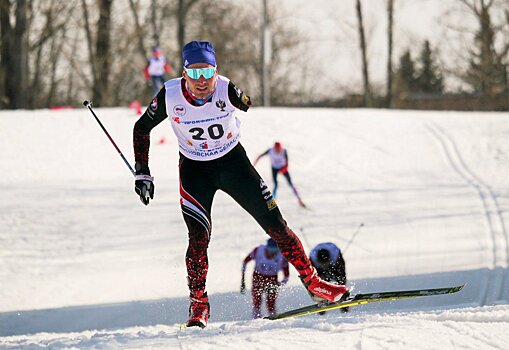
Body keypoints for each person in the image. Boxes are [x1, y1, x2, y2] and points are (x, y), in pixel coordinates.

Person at [132, 41, 347, 328]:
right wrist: (143, 171)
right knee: (198, 239)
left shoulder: (224, 87)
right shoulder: (170, 95)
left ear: (216, 71)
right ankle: (199, 305)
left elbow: (246, 103)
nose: (201, 81)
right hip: (196, 171)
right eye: (194, 74)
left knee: (277, 226)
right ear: (184, 74)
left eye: (207, 72)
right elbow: (141, 128)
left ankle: (314, 284)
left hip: (234, 165)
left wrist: (242, 99)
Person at [241, 238, 289, 318]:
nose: (272, 254)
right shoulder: (258, 250)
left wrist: (280, 284)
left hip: (272, 278)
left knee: (271, 301)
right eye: (270, 251)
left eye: (274, 252)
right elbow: (245, 261)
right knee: (257, 300)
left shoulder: (282, 257)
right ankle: (256, 317)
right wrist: (242, 279)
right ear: (267, 248)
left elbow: (286, 275)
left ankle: (272, 315)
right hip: (258, 276)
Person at [253, 142, 306, 208]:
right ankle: (272, 203)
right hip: (274, 169)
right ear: (274, 148)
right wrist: (254, 164)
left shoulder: (284, 151)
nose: (278, 151)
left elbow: (287, 162)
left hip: (283, 168)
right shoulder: (270, 150)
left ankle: (299, 200)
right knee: (275, 185)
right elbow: (260, 156)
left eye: (279, 149)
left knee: (291, 184)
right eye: (277, 149)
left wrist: (284, 168)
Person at [310, 242, 348, 312]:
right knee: (316, 282)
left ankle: (343, 298)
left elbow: (342, 275)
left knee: (341, 279)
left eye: (326, 265)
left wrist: (342, 284)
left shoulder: (336, 258)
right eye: (323, 265)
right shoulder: (312, 260)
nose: (325, 267)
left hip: (334, 261)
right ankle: (320, 300)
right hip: (318, 266)